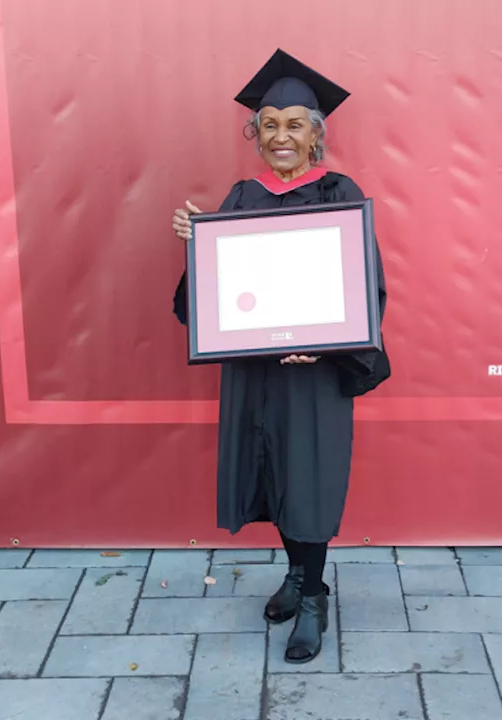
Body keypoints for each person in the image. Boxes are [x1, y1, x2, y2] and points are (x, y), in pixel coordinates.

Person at [169, 49, 389, 665]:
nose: (282, 135)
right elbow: (214, 297)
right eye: (270, 124)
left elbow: (362, 286)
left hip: (315, 374)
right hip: (257, 374)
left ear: (316, 134)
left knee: (309, 480)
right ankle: (296, 576)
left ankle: (313, 595)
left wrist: (322, 343)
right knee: (271, 474)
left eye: (296, 124)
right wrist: (197, 244)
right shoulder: (242, 194)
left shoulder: (339, 192)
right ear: (256, 134)